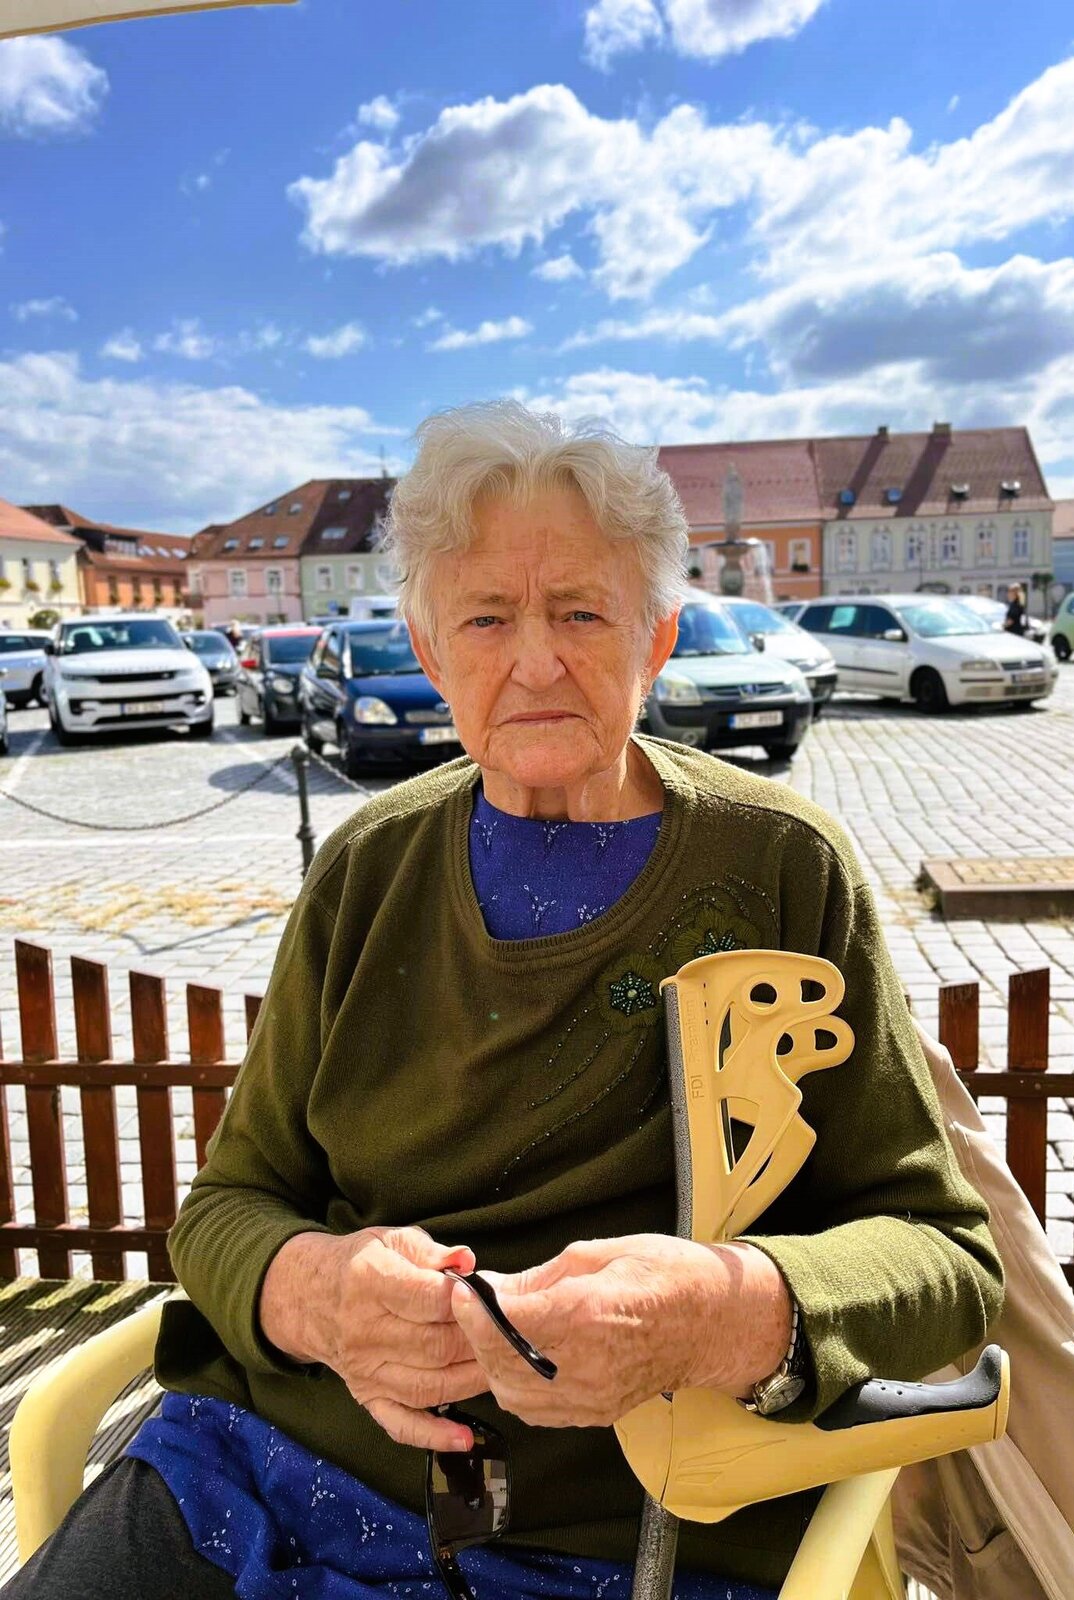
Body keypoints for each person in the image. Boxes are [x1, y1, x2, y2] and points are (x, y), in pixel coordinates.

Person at [5, 402, 1003, 1600]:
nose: (534, 662)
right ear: (432, 653)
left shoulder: (782, 866)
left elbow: (946, 1258)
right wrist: (316, 1296)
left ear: (655, 638)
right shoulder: (368, 868)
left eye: (580, 612)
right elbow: (227, 1206)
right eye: (486, 617)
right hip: (265, 1468)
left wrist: (723, 1312)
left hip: (628, 1536)